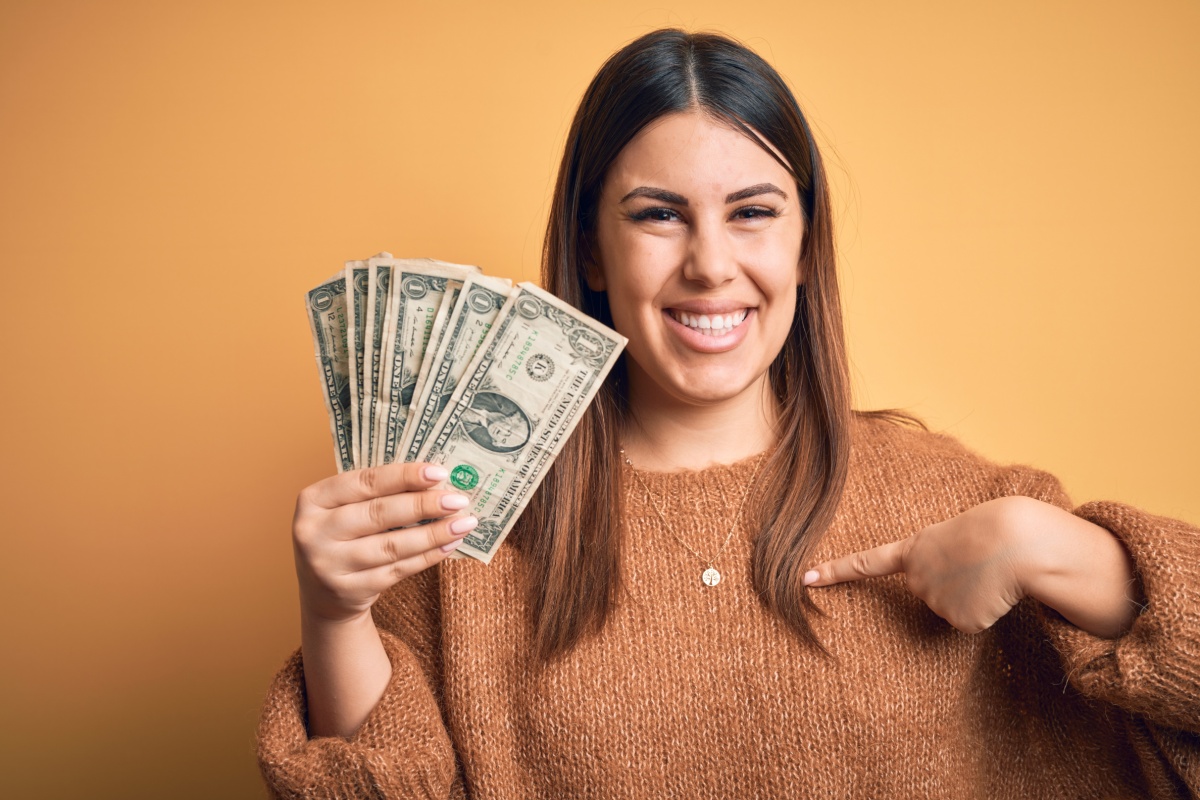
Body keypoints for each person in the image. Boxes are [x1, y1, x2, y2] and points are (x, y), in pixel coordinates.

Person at [258, 29, 1199, 797]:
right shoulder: (461, 528)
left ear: (803, 244)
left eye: (752, 212)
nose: (710, 264)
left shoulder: (959, 500)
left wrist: (1048, 545)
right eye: (658, 215)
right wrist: (334, 612)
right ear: (592, 251)